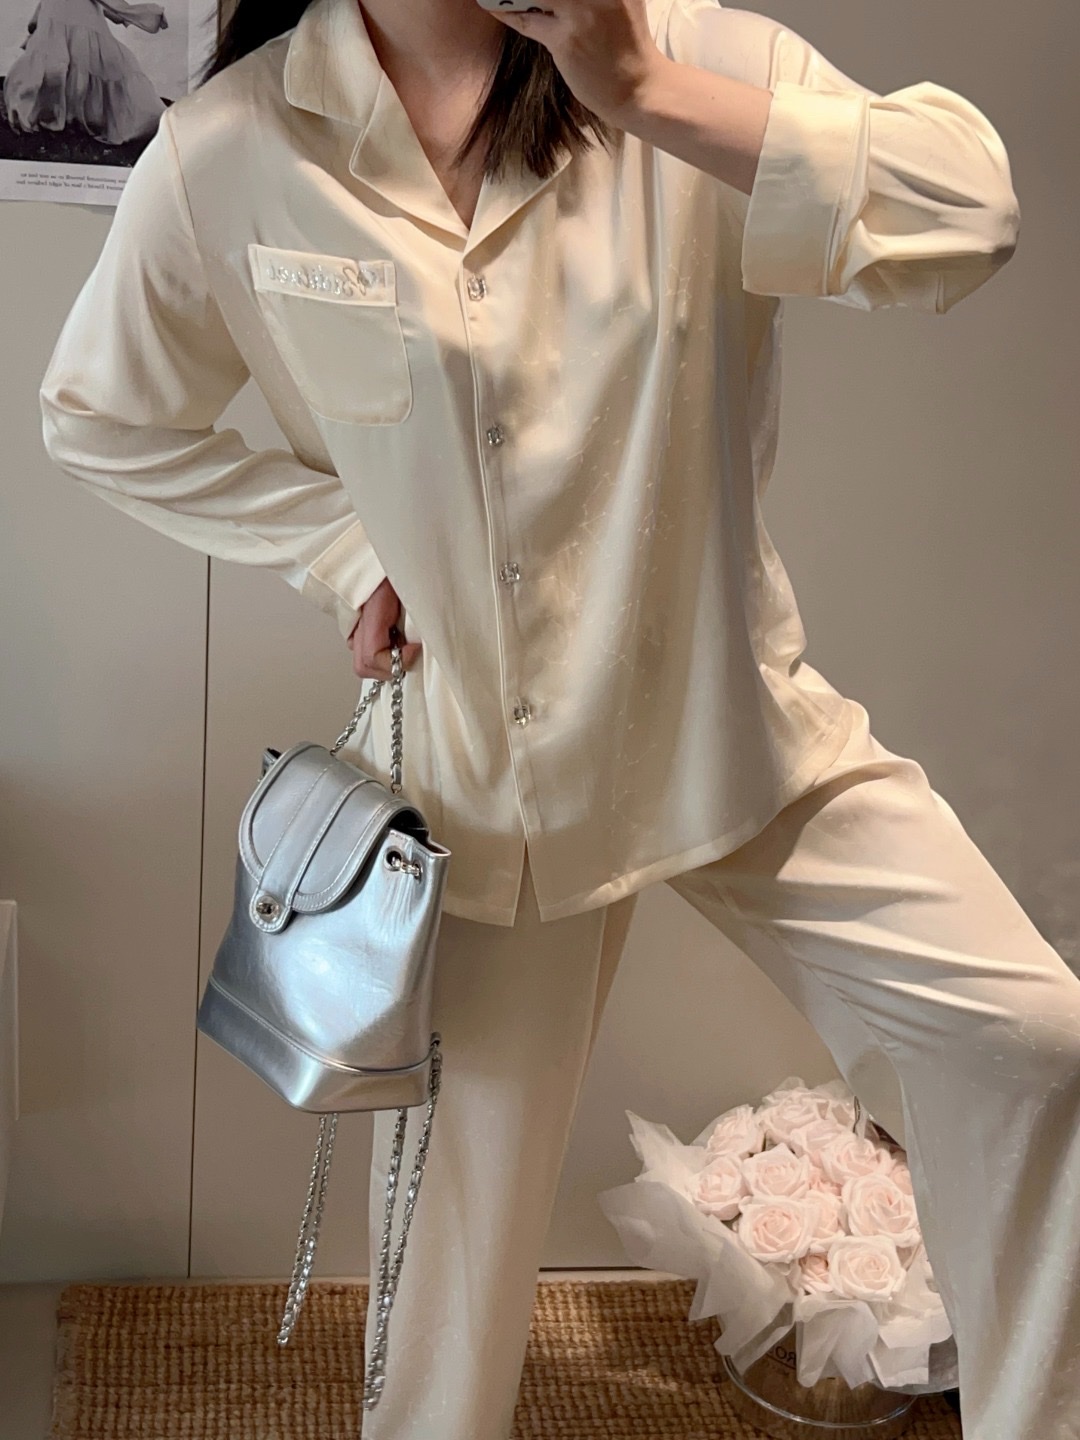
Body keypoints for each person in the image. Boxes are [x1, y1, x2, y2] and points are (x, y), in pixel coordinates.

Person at [36, 2, 1080, 1438]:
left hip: (731, 728)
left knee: (1029, 1038)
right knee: (445, 1267)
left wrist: (641, 91)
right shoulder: (236, 144)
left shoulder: (686, 51)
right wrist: (340, 545)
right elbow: (100, 414)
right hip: (481, 785)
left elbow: (966, 213)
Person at [5, 0, 167, 147]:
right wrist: (36, 21)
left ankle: (65, 119)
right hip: (58, 14)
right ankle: (42, 115)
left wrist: (140, 13)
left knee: (87, 66)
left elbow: (112, 5)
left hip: (80, 17)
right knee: (54, 67)